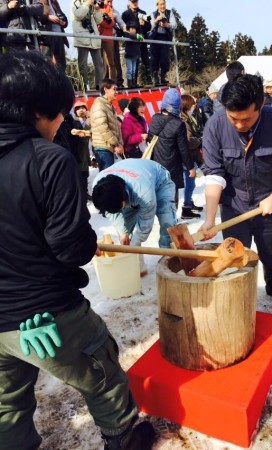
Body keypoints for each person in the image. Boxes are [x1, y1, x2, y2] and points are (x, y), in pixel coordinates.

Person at [0, 50, 155, 450]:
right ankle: (122, 440)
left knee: (6, 402)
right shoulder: (48, 160)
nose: (61, 125)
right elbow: (70, 247)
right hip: (48, 313)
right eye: (60, 116)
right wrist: (89, 241)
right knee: (102, 375)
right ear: (39, 112)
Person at [200, 74, 272, 305]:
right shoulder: (215, 125)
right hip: (234, 207)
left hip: (271, 205)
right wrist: (209, 218)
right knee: (234, 256)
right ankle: (238, 294)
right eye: (233, 118)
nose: (239, 125)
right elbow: (214, 175)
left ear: (261, 106)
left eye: (246, 119)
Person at [92, 158, 177, 274]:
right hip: (133, 178)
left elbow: (145, 223)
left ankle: (169, 260)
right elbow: (111, 212)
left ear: (123, 200)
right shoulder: (99, 188)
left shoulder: (143, 192)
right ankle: (137, 267)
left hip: (159, 180)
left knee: (167, 222)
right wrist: (123, 232)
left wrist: (133, 246)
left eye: (120, 207)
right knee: (127, 231)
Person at [148, 88, 195, 208]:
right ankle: (171, 221)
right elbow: (183, 148)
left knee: (159, 193)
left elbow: (149, 139)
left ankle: (161, 219)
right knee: (172, 195)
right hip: (172, 165)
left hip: (156, 164)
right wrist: (190, 167)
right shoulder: (179, 124)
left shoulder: (155, 118)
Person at [90, 78, 124, 170]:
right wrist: (116, 144)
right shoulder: (99, 105)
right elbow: (103, 128)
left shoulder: (110, 105)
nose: (116, 92)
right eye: (114, 89)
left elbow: (116, 127)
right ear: (105, 89)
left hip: (109, 147)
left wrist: (119, 144)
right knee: (106, 179)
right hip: (103, 148)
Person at [179, 94, 203, 219]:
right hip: (187, 156)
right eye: (192, 104)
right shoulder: (183, 121)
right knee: (190, 183)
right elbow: (187, 141)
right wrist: (199, 140)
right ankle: (186, 207)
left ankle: (189, 202)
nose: (194, 106)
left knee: (190, 182)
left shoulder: (187, 118)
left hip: (190, 155)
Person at [72, 0, 104, 90]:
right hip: (82, 37)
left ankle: (99, 85)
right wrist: (87, 3)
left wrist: (97, 10)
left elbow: (99, 21)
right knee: (82, 64)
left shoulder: (92, 3)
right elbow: (78, 15)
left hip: (94, 37)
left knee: (99, 64)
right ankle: (84, 86)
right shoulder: (75, 2)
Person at [122, 0, 152, 85]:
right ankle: (133, 82)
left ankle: (149, 79)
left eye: (136, 1)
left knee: (146, 59)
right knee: (135, 62)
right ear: (129, 2)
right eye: (132, 2)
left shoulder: (143, 12)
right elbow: (123, 27)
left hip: (142, 40)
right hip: (133, 41)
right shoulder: (125, 14)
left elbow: (149, 26)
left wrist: (144, 24)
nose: (134, 3)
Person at [149, 0, 177, 86]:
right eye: (160, 4)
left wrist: (167, 25)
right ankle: (155, 76)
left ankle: (163, 76)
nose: (162, 6)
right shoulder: (153, 14)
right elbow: (149, 27)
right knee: (154, 58)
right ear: (157, 5)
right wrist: (156, 21)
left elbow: (175, 25)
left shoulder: (169, 13)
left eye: (164, 4)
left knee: (165, 58)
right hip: (155, 37)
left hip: (165, 37)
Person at [72, 100, 93, 200]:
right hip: (78, 153)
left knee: (85, 174)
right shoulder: (73, 123)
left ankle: (85, 193)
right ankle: (81, 195)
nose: (81, 110)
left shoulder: (89, 122)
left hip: (86, 152)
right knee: (79, 174)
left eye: (83, 108)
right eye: (78, 109)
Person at [40, 0, 69, 71]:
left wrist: (63, 22)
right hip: (46, 36)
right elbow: (36, 15)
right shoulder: (39, 1)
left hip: (59, 35)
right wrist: (48, 17)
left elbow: (64, 18)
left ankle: (60, 81)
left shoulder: (54, 2)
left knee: (61, 64)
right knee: (46, 62)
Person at [98, 0, 116, 80]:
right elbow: (94, 21)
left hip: (108, 38)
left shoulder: (108, 7)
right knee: (99, 62)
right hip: (97, 38)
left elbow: (112, 23)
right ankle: (101, 82)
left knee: (111, 62)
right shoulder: (94, 6)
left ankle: (112, 82)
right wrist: (104, 20)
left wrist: (100, 21)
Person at [124, 21, 143, 88]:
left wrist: (139, 37)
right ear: (128, 29)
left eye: (134, 28)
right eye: (131, 28)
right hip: (129, 55)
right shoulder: (127, 34)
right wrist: (138, 36)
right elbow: (129, 35)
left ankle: (133, 82)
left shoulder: (137, 35)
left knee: (134, 70)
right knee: (130, 70)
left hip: (135, 56)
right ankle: (129, 83)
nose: (133, 30)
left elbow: (142, 37)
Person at [112, 3, 126, 88]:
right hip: (102, 38)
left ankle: (119, 81)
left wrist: (125, 29)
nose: (109, 3)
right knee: (105, 63)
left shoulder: (115, 11)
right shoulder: (98, 9)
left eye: (111, 2)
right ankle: (107, 83)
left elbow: (121, 23)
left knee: (116, 61)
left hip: (114, 39)